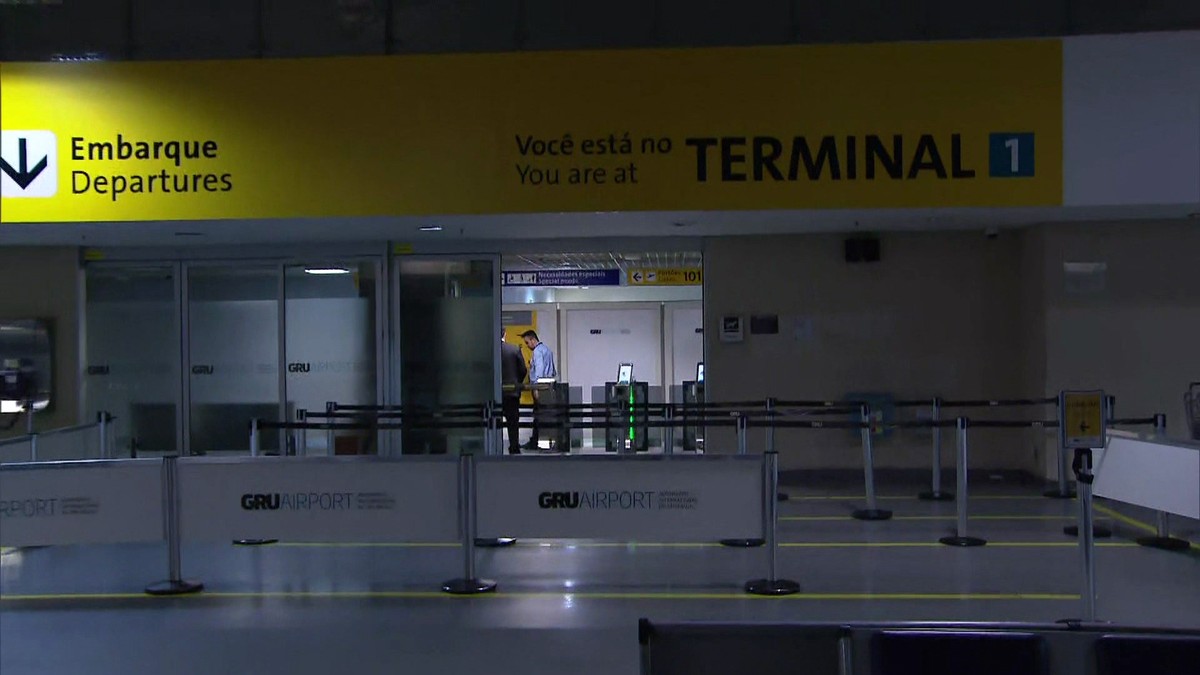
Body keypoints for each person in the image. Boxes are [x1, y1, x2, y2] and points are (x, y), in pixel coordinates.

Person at [520, 329, 557, 450]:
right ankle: (546, 441)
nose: (527, 345)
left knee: (538, 415)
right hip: (549, 386)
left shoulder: (537, 352)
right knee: (546, 415)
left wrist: (536, 388)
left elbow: (540, 371)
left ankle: (535, 442)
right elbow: (553, 371)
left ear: (532, 339)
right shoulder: (547, 350)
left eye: (527, 342)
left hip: (540, 388)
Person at [500, 328, 527, 454]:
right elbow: (523, 370)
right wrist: (517, 383)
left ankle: (493, 446)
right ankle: (514, 447)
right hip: (512, 392)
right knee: (513, 422)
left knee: (492, 420)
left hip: (495, 393)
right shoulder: (514, 349)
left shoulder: (490, 351)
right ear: (505, 334)